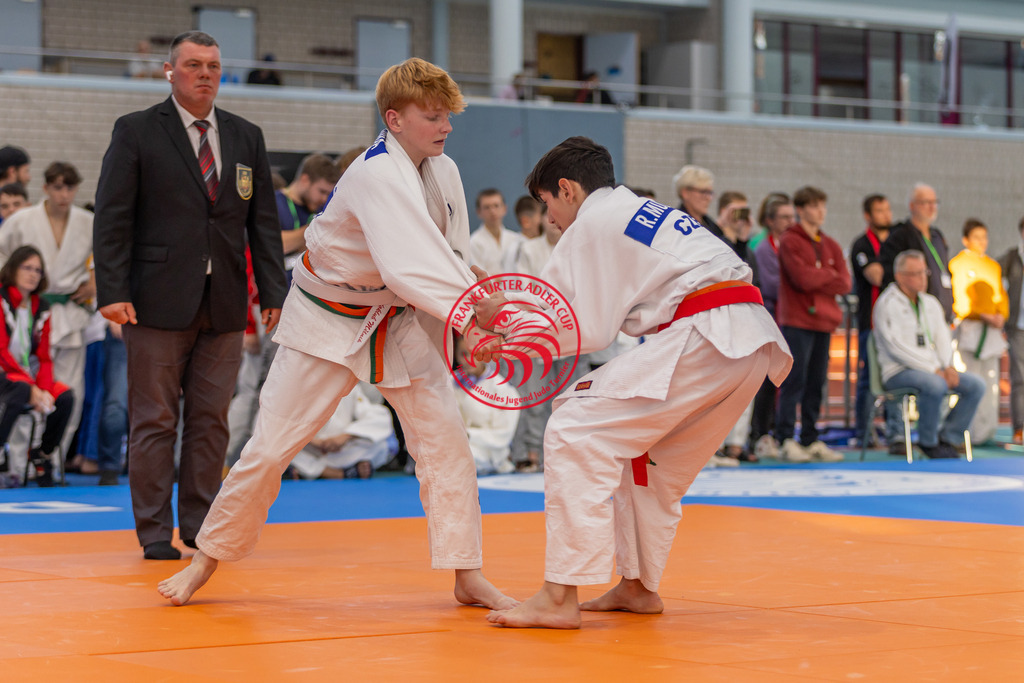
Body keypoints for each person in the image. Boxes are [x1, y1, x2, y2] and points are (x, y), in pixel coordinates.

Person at [157, 57, 515, 610]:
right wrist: (470, 316)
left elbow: (452, 256)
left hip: (395, 319)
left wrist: (475, 306)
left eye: (449, 116)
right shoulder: (375, 174)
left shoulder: (444, 171)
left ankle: (466, 572)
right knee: (272, 447)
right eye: (433, 115)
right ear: (394, 119)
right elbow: (409, 267)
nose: (446, 126)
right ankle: (205, 559)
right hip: (327, 316)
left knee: (447, 444)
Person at [477, 137, 790, 629]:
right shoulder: (641, 211)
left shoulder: (592, 224)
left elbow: (583, 325)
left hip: (706, 335)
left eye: (546, 203)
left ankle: (560, 596)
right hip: (748, 340)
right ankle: (638, 586)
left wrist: (503, 321)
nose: (549, 218)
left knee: (574, 426)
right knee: (648, 460)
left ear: (567, 189)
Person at [93, 31, 287, 561]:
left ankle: (201, 525)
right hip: (152, 299)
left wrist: (273, 292)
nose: (205, 74)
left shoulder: (245, 135)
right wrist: (111, 290)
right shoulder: (136, 131)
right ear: (170, 71)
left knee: (211, 419)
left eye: (214, 66)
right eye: (194, 65)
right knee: (155, 418)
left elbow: (262, 225)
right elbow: (112, 217)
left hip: (224, 300)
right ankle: (154, 530)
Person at [0, 161, 95, 463]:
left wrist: (96, 281)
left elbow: (109, 256)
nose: (63, 194)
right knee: (23, 386)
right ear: (45, 188)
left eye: (69, 187)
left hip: (70, 315)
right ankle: (16, 462)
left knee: (70, 391)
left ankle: (49, 459)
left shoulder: (88, 221)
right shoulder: (22, 219)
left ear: (76, 188)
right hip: (27, 313)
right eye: (57, 186)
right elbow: (5, 257)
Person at [873, 251, 985, 459]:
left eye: (924, 272)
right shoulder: (887, 304)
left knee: (976, 386)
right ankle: (928, 442)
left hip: (936, 369)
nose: (923, 278)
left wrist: (948, 366)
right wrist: (934, 370)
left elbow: (943, 338)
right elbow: (895, 348)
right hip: (898, 371)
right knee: (935, 385)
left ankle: (948, 438)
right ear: (900, 276)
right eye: (915, 273)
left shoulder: (930, 303)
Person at [773, 186, 849, 463]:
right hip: (797, 320)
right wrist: (827, 275)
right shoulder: (791, 241)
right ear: (801, 209)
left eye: (822, 206)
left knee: (817, 382)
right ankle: (784, 438)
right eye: (815, 206)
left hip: (823, 322)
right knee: (794, 380)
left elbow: (845, 281)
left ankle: (810, 437)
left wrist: (822, 274)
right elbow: (801, 278)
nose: (821, 212)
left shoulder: (830, 244)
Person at [0, 246, 76, 486]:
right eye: (27, 268)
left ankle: (42, 455)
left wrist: (43, 389)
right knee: (21, 390)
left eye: (38, 270)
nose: (33, 274)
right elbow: (1, 350)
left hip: (26, 376)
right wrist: (32, 387)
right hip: (5, 372)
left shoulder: (40, 306)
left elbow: (44, 357)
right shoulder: (1, 299)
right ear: (13, 268)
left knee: (64, 397)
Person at [948, 219, 1008, 444]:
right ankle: (962, 432)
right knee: (967, 379)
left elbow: (1001, 296)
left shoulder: (993, 266)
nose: (981, 242)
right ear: (966, 240)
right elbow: (960, 299)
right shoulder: (958, 264)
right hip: (970, 330)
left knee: (990, 382)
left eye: (984, 237)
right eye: (976, 237)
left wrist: (1001, 315)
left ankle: (986, 432)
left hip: (991, 332)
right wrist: (981, 314)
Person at [849, 194, 900, 449]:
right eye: (879, 210)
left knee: (897, 375)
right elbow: (877, 276)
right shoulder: (862, 245)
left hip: (897, 326)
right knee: (869, 379)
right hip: (871, 323)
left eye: (887, 209)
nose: (886, 215)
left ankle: (895, 433)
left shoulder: (896, 241)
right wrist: (898, 271)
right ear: (868, 215)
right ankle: (864, 433)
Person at [749, 194, 795, 459]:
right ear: (769, 220)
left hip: (784, 318)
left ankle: (775, 431)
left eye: (792, 217)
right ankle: (760, 434)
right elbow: (771, 284)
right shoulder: (762, 246)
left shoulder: (785, 243)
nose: (790, 222)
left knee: (781, 378)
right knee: (765, 380)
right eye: (784, 217)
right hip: (768, 318)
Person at [288, 384, 396, 480]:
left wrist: (346, 436)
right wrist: (312, 441)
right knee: (282, 449)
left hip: (341, 449)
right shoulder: (298, 387)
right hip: (307, 447)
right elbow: (284, 424)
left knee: (382, 445)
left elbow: (378, 417)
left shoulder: (351, 387)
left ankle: (307, 471)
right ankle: (336, 473)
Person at [879, 183, 953, 322]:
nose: (932, 207)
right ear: (912, 206)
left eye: (935, 202)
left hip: (941, 314)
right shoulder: (899, 236)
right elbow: (891, 277)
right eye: (926, 203)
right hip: (915, 315)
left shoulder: (937, 236)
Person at [452, 335, 519, 475]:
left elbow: (502, 436)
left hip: (488, 450)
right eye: (463, 354)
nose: (468, 360)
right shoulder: (449, 382)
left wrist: (469, 435)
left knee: (460, 460)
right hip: (455, 443)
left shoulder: (501, 388)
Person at [276, 153, 340, 276]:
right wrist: (315, 230)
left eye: (328, 193)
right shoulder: (274, 202)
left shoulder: (322, 208)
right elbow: (277, 244)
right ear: (305, 180)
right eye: (321, 191)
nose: (324, 198)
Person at [1000, 217, 1024, 445]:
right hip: (1018, 327)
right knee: (1020, 378)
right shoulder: (1012, 258)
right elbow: (992, 277)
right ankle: (1020, 428)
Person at [469, 188, 523, 275]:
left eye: (496, 206)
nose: (492, 211)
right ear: (479, 212)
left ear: (504, 209)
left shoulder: (516, 239)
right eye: (487, 207)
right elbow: (479, 278)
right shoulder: (474, 243)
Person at [672, 165, 717, 231]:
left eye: (710, 193)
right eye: (703, 192)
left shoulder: (712, 226)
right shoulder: (676, 225)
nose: (709, 198)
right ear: (685, 193)